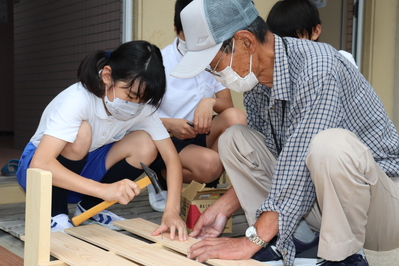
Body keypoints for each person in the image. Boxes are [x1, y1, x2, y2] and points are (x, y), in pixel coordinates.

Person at [170, 0, 399, 265]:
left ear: (245, 42)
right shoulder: (256, 83)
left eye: (213, 65)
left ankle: (345, 257)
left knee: (330, 145)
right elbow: (279, 161)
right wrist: (222, 207)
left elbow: (299, 165)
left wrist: (250, 240)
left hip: (383, 209)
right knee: (235, 139)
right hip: (322, 206)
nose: (214, 75)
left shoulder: (317, 67)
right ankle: (286, 241)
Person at [16, 40, 188, 241]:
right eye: (130, 95)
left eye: (143, 100)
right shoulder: (78, 99)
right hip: (38, 172)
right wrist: (105, 190)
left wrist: (172, 212)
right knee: (82, 133)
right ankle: (54, 214)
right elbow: (41, 162)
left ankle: (90, 209)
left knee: (145, 144)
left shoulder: (143, 109)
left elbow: (171, 158)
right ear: (107, 76)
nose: (135, 105)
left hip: (82, 173)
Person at [147, 0, 247, 212]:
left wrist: (209, 101)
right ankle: (160, 177)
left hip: (200, 132)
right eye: (188, 35)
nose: (195, 42)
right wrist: (171, 124)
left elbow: (227, 106)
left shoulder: (213, 56)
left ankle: (204, 187)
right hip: (166, 139)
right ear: (176, 29)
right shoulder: (159, 63)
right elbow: (137, 116)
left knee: (237, 118)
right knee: (212, 164)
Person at [266, 0, 358, 68]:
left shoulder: (341, 60)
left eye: (293, 39)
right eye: (280, 40)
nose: (287, 46)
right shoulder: (272, 68)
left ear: (315, 32)